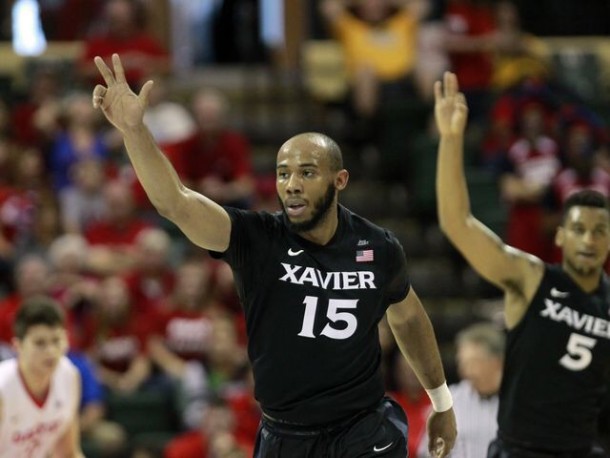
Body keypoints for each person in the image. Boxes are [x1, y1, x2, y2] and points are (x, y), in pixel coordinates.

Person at [92, 53, 457, 458]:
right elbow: (174, 203)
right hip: (286, 434)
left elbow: (407, 316)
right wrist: (135, 131)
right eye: (283, 173)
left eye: (307, 172)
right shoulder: (258, 238)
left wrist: (441, 401)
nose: (292, 184)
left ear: (339, 181)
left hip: (363, 429)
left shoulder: (378, 246)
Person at [435, 71, 610, 457]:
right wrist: (450, 140)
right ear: (561, 235)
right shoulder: (531, 278)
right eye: (579, 229)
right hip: (520, 449)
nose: (589, 239)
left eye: (600, 230)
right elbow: (457, 223)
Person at [0, 296, 84, 457]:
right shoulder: (3, 390)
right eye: (40, 343)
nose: (51, 351)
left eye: (56, 340)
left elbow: (68, 453)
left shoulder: (69, 375)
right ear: (18, 346)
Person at [418, 322, 504, 457]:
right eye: (461, 363)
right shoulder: (450, 399)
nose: (464, 371)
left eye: (472, 363)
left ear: (496, 362)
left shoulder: (519, 401)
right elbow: (427, 453)